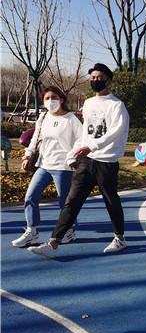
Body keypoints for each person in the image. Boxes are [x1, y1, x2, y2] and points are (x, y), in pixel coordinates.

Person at [28, 63, 130, 259]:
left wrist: (93, 146)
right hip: (86, 161)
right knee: (71, 201)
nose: (95, 81)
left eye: (99, 78)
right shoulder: (89, 103)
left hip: (106, 162)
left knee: (111, 201)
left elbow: (116, 132)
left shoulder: (117, 105)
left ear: (108, 81)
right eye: (92, 78)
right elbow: (85, 133)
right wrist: (73, 154)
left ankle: (120, 238)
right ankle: (53, 243)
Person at [11, 87, 82, 248]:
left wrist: (72, 156)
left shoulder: (71, 119)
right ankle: (32, 232)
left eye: (54, 97)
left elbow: (81, 139)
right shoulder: (43, 117)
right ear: (43, 102)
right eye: (47, 98)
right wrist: (27, 155)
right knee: (30, 197)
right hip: (44, 165)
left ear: (61, 99)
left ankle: (69, 230)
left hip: (63, 166)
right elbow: (35, 138)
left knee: (64, 201)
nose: (51, 101)